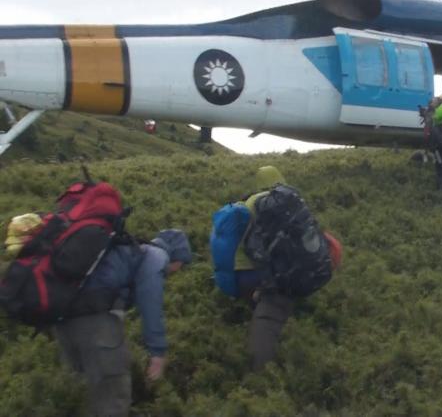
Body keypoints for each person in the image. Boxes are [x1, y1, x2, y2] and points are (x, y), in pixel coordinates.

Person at [211, 166, 342, 370]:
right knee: (275, 303)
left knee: (265, 307)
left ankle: (256, 361)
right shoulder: (289, 201)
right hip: (272, 272)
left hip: (242, 275)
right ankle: (264, 364)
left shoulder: (247, 204)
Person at [53, 229, 192, 417]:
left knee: (80, 389)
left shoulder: (131, 252)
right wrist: (158, 354)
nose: (177, 271)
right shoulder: (156, 257)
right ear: (177, 256)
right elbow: (151, 306)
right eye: (181, 264)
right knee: (113, 397)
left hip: (63, 317)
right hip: (93, 317)